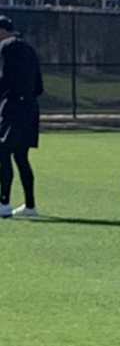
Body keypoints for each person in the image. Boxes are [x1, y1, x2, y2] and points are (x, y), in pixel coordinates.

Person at [0, 15, 44, 218]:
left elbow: (3, 79)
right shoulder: (29, 49)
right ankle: (30, 206)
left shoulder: (6, 47)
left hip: (14, 106)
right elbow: (39, 86)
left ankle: (4, 203)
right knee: (20, 155)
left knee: (2, 151)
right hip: (30, 106)